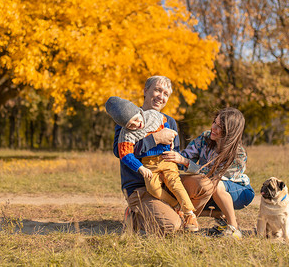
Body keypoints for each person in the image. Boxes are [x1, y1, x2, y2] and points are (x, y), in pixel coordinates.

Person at [112, 76, 213, 234]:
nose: (161, 96)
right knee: (172, 226)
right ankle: (135, 214)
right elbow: (120, 152)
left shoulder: (170, 122)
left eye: (166, 93)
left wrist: (181, 159)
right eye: (157, 90)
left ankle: (183, 213)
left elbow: (175, 156)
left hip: (167, 179)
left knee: (205, 186)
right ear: (146, 91)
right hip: (140, 187)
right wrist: (155, 138)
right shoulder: (129, 118)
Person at [105, 96, 198, 231]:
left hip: (165, 159)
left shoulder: (153, 116)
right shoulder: (126, 134)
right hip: (148, 166)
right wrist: (140, 167)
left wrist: (171, 137)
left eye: (136, 119)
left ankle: (190, 213)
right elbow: (124, 154)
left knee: (175, 183)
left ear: (139, 112)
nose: (137, 125)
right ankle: (175, 206)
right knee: (153, 189)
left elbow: (165, 124)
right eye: (131, 125)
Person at [162, 107, 255, 238]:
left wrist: (186, 162)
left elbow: (216, 174)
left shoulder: (239, 153)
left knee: (215, 185)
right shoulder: (205, 138)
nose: (213, 128)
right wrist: (170, 153)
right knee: (194, 188)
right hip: (210, 188)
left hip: (239, 191)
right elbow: (185, 157)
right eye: (214, 123)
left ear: (230, 132)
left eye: (219, 127)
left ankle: (234, 228)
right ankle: (215, 216)